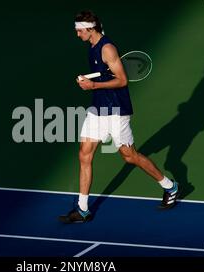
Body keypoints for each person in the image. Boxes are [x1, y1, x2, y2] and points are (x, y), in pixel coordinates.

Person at [58, 10, 179, 224]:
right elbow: (105, 74)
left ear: (90, 28)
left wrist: (93, 85)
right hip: (98, 108)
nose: (77, 34)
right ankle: (83, 209)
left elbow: (122, 80)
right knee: (84, 154)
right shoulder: (92, 46)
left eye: (79, 31)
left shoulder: (107, 48)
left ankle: (170, 186)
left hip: (116, 110)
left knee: (129, 156)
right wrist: (90, 79)